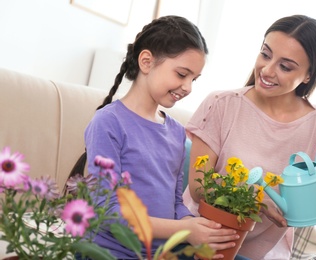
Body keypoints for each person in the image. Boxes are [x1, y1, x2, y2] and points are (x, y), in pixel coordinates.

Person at [183, 14, 316, 259]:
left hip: (262, 253)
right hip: (200, 239)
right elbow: (199, 188)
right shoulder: (222, 104)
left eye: (285, 66)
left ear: (308, 75)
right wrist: (256, 199)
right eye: (265, 54)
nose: (267, 69)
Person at [80, 15, 240, 259]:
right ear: (146, 61)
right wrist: (185, 229)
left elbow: (175, 203)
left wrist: (196, 229)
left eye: (193, 79)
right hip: (110, 252)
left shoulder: (176, 131)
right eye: (181, 74)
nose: (188, 87)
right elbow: (107, 212)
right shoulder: (109, 123)